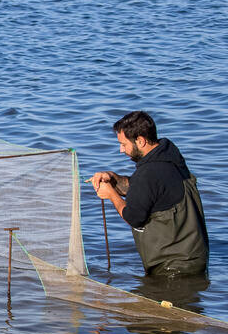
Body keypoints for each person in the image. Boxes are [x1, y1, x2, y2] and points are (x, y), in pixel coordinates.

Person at [89, 111, 208, 275]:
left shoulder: (148, 173)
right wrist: (114, 179)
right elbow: (148, 190)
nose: (121, 150)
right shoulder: (169, 153)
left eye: (124, 144)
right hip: (194, 257)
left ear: (141, 141)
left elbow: (133, 217)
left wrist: (111, 195)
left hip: (173, 267)